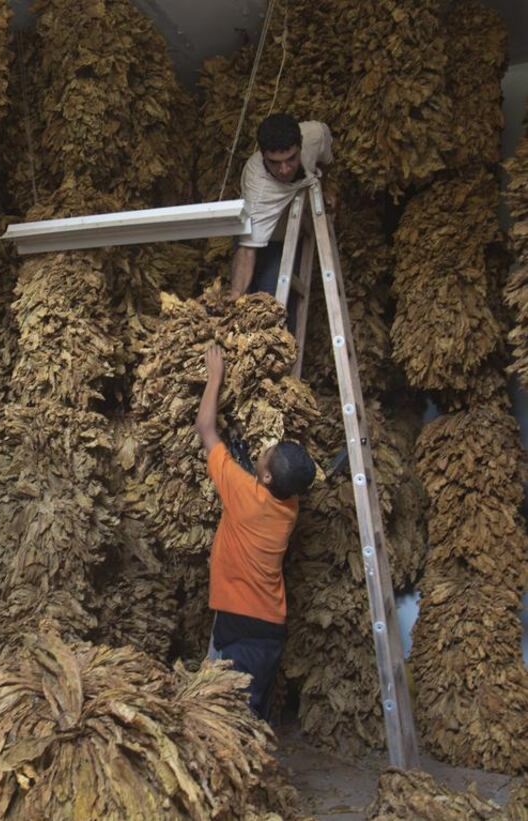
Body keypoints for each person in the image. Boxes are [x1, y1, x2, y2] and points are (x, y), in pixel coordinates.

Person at [194, 344, 316, 721]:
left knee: (224, 720)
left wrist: (215, 378)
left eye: (269, 453)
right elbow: (269, 478)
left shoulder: (244, 495)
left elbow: (206, 429)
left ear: (264, 476)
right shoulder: (288, 506)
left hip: (239, 625)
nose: (265, 449)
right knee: (251, 716)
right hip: (270, 629)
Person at [230, 113, 335, 303]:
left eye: (291, 159)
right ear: (263, 155)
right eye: (274, 163)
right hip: (263, 240)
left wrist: (325, 187)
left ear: (301, 145)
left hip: (289, 232)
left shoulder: (315, 135)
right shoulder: (258, 188)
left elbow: (325, 160)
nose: (284, 170)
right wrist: (235, 295)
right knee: (266, 304)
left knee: (282, 302)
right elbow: (247, 251)